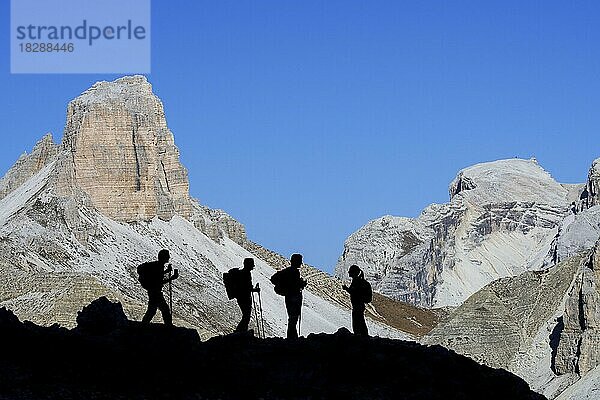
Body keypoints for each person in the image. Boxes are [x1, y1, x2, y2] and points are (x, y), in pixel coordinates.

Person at [138, 249, 179, 325]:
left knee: (152, 311)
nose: (169, 257)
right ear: (164, 257)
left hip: (152, 291)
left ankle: (143, 325)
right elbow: (158, 281)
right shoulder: (159, 266)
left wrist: (166, 271)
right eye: (167, 256)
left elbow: (156, 277)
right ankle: (169, 327)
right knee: (164, 310)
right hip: (155, 292)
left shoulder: (157, 265)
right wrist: (171, 278)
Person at [342, 264, 371, 336]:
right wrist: (347, 289)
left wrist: (346, 289)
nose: (349, 273)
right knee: (359, 321)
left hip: (358, 305)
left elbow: (354, 292)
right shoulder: (357, 281)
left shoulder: (357, 282)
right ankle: (362, 336)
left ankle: (361, 336)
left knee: (358, 321)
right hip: (358, 305)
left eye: (350, 272)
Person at [284, 253, 307, 339]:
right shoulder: (294, 272)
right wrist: (302, 284)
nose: (301, 263)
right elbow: (295, 285)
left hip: (288, 297)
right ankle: (292, 338)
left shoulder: (287, 271)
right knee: (293, 319)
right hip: (294, 298)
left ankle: (292, 337)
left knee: (292, 318)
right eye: (300, 261)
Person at [235, 258, 260, 333]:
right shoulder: (246, 274)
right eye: (252, 265)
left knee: (246, 315)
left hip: (241, 297)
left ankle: (241, 331)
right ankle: (240, 331)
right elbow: (246, 288)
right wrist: (255, 290)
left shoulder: (243, 273)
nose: (252, 267)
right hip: (244, 298)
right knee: (246, 315)